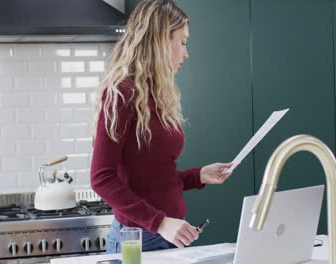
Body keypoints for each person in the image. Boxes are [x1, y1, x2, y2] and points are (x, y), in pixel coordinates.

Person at [90, 0, 233, 253]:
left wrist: (198, 175)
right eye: (183, 42)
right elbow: (102, 178)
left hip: (165, 236)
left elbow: (151, 177)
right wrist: (161, 222)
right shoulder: (121, 93)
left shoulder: (155, 95)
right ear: (159, 41)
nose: (186, 54)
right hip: (140, 241)